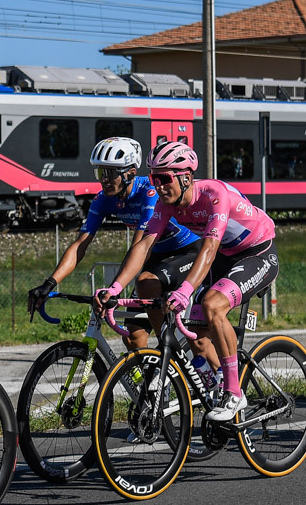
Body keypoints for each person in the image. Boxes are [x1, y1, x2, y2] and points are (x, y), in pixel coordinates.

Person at [94, 141, 278, 422]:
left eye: (165, 178)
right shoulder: (165, 205)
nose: (159, 185)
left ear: (186, 177)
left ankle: (234, 392)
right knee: (194, 331)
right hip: (226, 255)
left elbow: (208, 249)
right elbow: (143, 246)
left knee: (212, 305)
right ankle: (217, 379)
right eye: (155, 178)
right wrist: (116, 287)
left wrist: (184, 290)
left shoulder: (214, 194)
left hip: (257, 252)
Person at [26, 137, 199, 348]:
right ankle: (150, 379)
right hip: (156, 256)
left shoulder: (150, 193)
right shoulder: (104, 199)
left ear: (130, 173)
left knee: (146, 284)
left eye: (110, 173)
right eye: (100, 173)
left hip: (187, 251)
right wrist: (49, 283)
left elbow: (140, 245)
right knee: (132, 337)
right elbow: (81, 244)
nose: (104, 180)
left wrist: (112, 290)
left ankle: (171, 352)